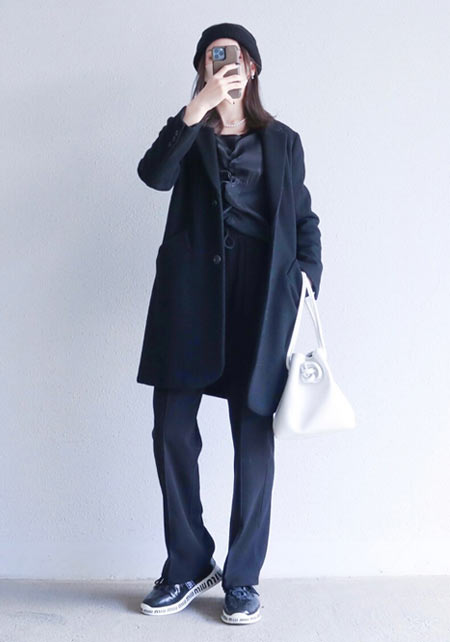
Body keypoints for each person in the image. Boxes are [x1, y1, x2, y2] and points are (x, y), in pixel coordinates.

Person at [136, 23, 323, 625]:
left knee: (253, 439)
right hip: (190, 299)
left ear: (254, 68)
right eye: (213, 59)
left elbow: (304, 220)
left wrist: (304, 283)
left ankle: (243, 578)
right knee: (171, 430)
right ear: (201, 69)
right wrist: (196, 110)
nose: (224, 67)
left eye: (235, 58)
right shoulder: (188, 133)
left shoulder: (283, 141)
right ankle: (188, 564)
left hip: (260, 300)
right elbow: (153, 175)